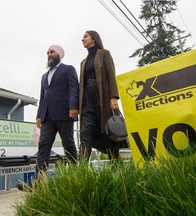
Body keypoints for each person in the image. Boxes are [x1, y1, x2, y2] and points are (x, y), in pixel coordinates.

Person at [17, 45, 79, 191]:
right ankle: (39, 181)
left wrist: (73, 106)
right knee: (43, 146)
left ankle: (77, 175)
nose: (49, 54)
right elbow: (43, 96)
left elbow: (74, 88)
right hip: (47, 117)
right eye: (47, 53)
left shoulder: (68, 69)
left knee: (68, 145)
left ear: (60, 54)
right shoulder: (44, 77)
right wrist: (39, 115)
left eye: (52, 52)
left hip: (65, 113)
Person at [78, 30, 127, 162]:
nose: (82, 39)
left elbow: (111, 75)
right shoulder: (83, 62)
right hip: (87, 100)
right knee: (85, 132)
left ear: (94, 39)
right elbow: (81, 84)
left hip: (103, 99)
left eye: (85, 37)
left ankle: (115, 166)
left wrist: (114, 97)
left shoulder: (104, 54)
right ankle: (82, 169)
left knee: (108, 133)